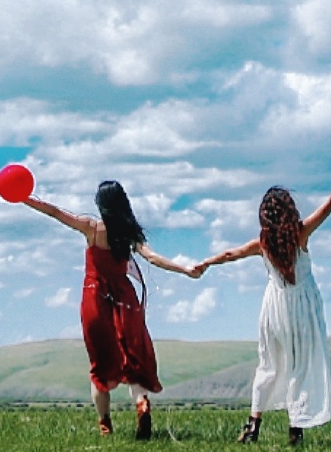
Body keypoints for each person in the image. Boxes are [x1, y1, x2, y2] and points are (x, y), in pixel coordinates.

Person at [197, 158, 331, 447]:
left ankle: (254, 424)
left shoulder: (263, 243)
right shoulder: (300, 233)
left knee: (269, 363)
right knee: (300, 365)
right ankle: (295, 428)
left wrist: (205, 263)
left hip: (274, 307)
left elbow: (230, 254)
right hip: (301, 307)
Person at [19, 179, 202, 438]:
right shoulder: (129, 233)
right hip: (125, 298)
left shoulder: (91, 227)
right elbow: (152, 257)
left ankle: (105, 424)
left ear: (100, 204)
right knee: (134, 359)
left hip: (95, 297)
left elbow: (56, 212)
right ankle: (141, 403)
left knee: (100, 363)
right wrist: (184, 269)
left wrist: (25, 198)